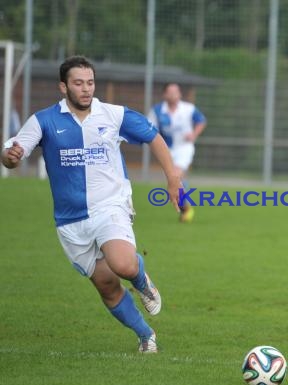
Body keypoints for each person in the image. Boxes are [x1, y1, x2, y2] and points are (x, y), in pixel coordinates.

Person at [1, 55, 182, 353]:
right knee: (107, 286)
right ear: (63, 86)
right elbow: (12, 151)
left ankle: (141, 280)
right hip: (70, 221)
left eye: (90, 82)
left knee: (122, 263)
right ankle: (146, 336)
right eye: (78, 83)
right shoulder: (44, 120)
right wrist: (10, 157)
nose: (86, 89)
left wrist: (172, 178)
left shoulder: (113, 115)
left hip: (110, 205)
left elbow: (153, 137)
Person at [148, 83, 207, 222]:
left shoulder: (188, 109)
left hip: (184, 148)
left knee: (175, 177)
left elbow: (201, 121)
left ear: (180, 94)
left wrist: (194, 134)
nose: (174, 94)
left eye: (176, 92)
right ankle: (185, 208)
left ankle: (185, 208)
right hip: (167, 150)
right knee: (177, 180)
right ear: (165, 95)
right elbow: (150, 129)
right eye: (170, 92)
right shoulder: (157, 111)